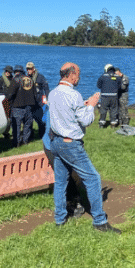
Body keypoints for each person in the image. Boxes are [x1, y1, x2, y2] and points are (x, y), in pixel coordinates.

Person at [49, 62, 120, 233]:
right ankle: (99, 221)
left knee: (60, 182)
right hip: (70, 144)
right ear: (71, 75)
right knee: (93, 179)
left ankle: (60, 219)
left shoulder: (52, 93)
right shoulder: (73, 95)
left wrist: (84, 104)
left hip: (56, 142)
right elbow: (86, 120)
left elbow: (68, 111)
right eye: (78, 73)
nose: (79, 77)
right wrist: (91, 105)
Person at [41, 103, 90, 218]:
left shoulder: (51, 105)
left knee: (65, 176)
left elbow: (43, 119)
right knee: (69, 175)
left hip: (50, 144)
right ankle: (73, 203)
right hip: (60, 144)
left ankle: (71, 204)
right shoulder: (67, 109)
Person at [5, 66, 38, 146]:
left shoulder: (15, 80)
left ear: (16, 72)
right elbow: (35, 94)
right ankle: (25, 141)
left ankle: (17, 143)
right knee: (27, 125)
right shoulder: (30, 80)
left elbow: (9, 94)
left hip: (17, 107)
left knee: (16, 126)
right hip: (29, 106)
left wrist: (8, 102)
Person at [26, 61, 49, 139]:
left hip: (39, 103)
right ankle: (30, 136)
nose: (28, 70)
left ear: (33, 69)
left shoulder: (40, 77)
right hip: (30, 103)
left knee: (41, 121)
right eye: (27, 69)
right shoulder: (26, 78)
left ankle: (42, 136)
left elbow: (46, 88)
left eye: (30, 69)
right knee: (29, 121)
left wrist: (47, 98)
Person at [0, 65, 14, 140]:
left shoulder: (13, 79)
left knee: (12, 116)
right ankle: (5, 133)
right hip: (4, 100)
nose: (7, 73)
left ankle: (13, 132)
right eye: (6, 71)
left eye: (9, 71)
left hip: (12, 100)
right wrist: (5, 94)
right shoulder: (1, 79)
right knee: (6, 117)